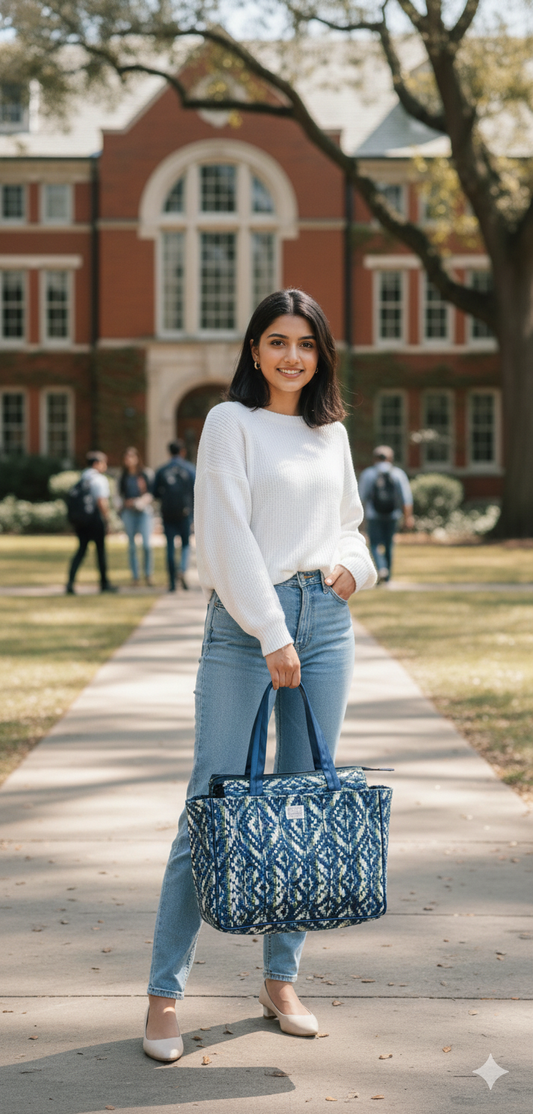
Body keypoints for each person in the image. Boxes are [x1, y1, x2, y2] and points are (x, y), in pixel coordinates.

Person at [143, 289, 377, 1063]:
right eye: (276, 342)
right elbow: (224, 534)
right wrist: (273, 632)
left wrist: (350, 570)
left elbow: (349, 524)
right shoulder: (228, 424)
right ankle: (164, 996)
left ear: (320, 355)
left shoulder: (330, 433)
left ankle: (280, 981)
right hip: (247, 629)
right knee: (207, 805)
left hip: (327, 620)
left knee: (305, 805)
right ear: (253, 351)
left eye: (304, 344)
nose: (290, 356)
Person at [358, 446, 414, 582]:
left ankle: (381, 568)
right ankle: (387, 576)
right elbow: (406, 498)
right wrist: (408, 517)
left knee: (375, 544)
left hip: (373, 515)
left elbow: (360, 498)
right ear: (390, 458)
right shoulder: (398, 473)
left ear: (374, 459)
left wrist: (360, 520)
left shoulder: (368, 474)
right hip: (393, 515)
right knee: (389, 544)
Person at [66, 451, 118, 594]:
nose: (105, 466)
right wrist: (107, 520)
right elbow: (102, 501)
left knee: (81, 550)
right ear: (96, 464)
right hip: (94, 520)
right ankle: (104, 583)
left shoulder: (82, 478)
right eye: (103, 463)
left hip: (81, 521)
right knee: (100, 552)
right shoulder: (99, 479)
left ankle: (70, 582)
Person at [154, 440, 195, 592]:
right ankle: (182, 569)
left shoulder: (162, 470)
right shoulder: (189, 469)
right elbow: (197, 489)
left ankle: (172, 583)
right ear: (182, 452)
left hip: (168, 513)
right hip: (185, 513)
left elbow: (155, 493)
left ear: (169, 452)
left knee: (170, 546)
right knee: (185, 544)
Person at [119, 447, 154, 587]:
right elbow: (119, 495)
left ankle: (148, 575)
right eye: (127, 457)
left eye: (132, 457)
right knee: (132, 546)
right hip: (129, 512)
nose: (129, 460)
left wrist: (142, 501)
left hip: (143, 511)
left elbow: (151, 493)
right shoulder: (123, 476)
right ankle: (135, 577)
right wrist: (125, 503)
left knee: (146, 545)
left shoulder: (145, 474)